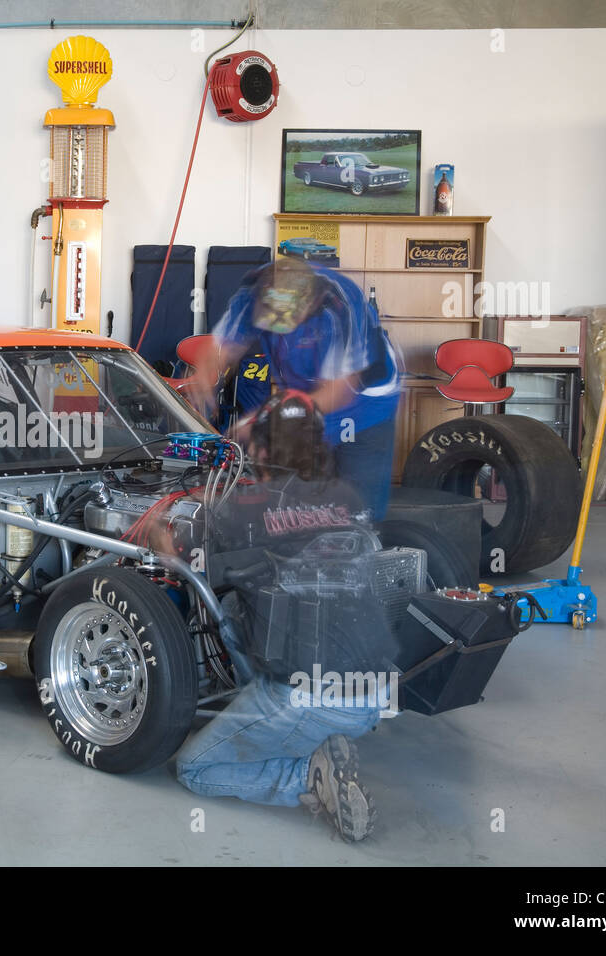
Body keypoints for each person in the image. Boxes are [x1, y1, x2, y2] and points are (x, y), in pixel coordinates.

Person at [173, 392, 385, 841]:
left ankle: (308, 776)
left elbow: (192, 563)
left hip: (307, 695)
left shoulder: (248, 507)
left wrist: (160, 536)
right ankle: (314, 736)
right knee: (255, 595)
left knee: (195, 769)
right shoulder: (348, 494)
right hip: (375, 692)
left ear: (261, 452)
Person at [202, 256, 400, 520]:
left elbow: (339, 391)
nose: (278, 333)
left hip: (364, 402)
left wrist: (263, 420)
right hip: (303, 391)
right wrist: (201, 391)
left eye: (286, 322)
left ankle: (363, 544)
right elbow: (219, 349)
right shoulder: (252, 292)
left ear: (312, 304)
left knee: (357, 505)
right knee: (295, 499)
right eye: (270, 319)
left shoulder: (341, 305)